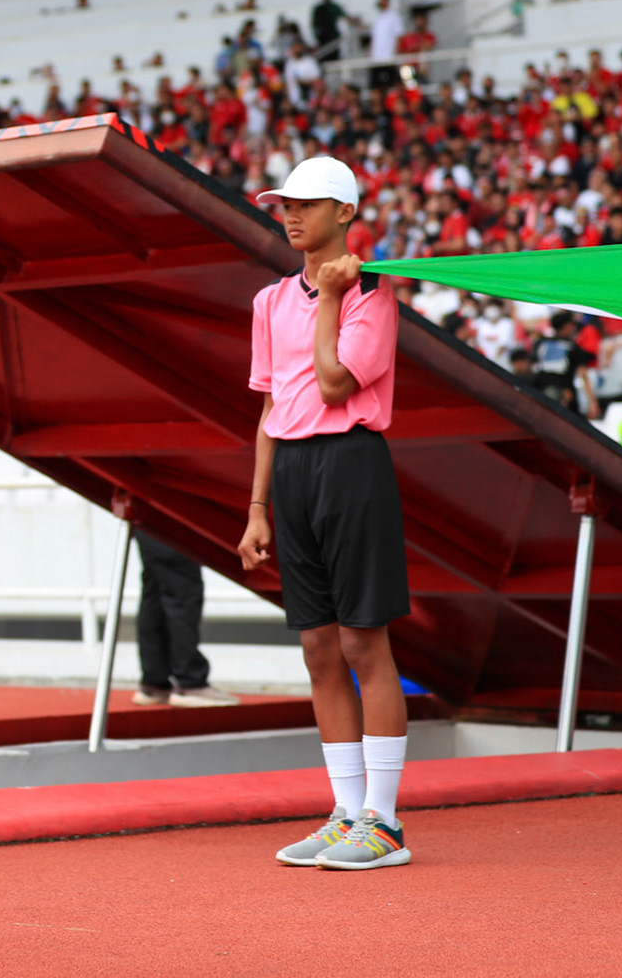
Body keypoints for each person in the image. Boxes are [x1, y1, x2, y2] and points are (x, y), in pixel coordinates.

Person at [238, 155, 412, 871]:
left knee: (364, 644)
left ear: (345, 212)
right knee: (317, 647)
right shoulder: (269, 300)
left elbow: (336, 383)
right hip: (294, 472)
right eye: (285, 203)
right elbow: (271, 407)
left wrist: (334, 298)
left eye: (306, 203)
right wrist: (257, 507)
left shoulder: (373, 294)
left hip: (351, 463)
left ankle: (385, 822)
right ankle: (346, 812)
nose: (290, 214)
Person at [131, 529, 237, 708]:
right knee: (180, 589)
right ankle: (190, 682)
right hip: (169, 521)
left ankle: (155, 682)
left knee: (154, 592)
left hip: (146, 519)